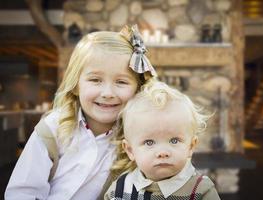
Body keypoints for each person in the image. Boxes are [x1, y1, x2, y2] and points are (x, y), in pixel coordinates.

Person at [5, 25, 157, 200]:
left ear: (137, 89)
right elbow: (23, 191)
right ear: (76, 85)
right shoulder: (53, 129)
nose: (107, 93)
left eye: (121, 82)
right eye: (95, 80)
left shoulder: (138, 138)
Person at [104, 81, 221, 200]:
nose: (163, 152)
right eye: (149, 142)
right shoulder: (120, 189)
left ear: (191, 146)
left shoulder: (200, 190)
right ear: (130, 150)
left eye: (174, 141)